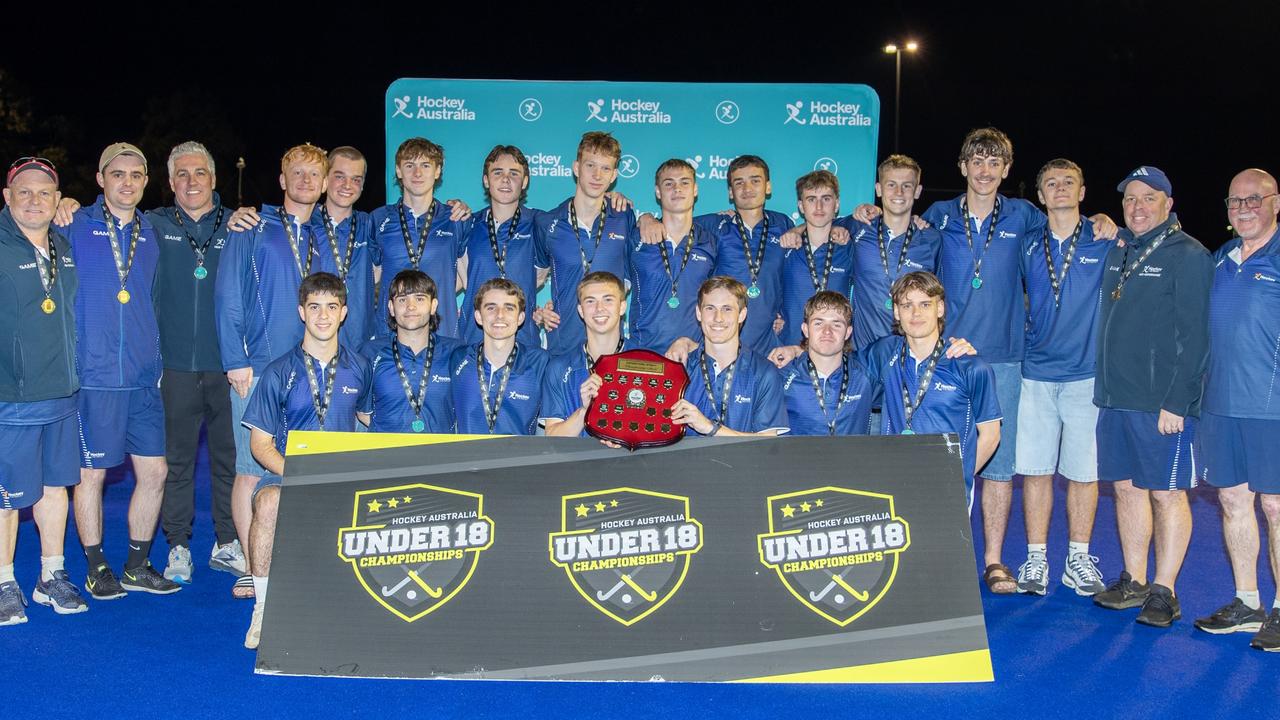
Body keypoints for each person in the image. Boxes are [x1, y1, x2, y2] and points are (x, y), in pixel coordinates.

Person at [1091, 166, 1212, 628]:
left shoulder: (1188, 254)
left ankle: (1165, 591)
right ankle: (1134, 579)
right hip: (1115, 397)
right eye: (1129, 200)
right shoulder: (1122, 248)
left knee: (1166, 494)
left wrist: (1178, 401)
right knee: (1125, 489)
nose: (1137, 207)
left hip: (1161, 403)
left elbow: (1196, 336)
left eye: (1147, 198)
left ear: (1168, 204)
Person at [63, 143, 178, 598]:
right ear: (99, 179)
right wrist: (60, 203)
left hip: (144, 377)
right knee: (91, 474)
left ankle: (136, 564)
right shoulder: (73, 223)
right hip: (95, 376)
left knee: (156, 472)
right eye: (117, 174)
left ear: (146, 182)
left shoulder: (152, 231)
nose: (126, 182)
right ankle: (96, 566)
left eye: (135, 175)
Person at [216, 142, 328, 599]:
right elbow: (227, 297)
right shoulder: (252, 226)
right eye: (296, 173)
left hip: (312, 371)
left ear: (323, 186)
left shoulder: (327, 232)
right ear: (282, 180)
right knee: (250, 467)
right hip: (258, 369)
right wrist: (235, 359)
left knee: (304, 467)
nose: (304, 181)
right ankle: (249, 563)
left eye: (313, 175)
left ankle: (297, 559)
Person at [240, 272, 372, 648]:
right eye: (315, 307)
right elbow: (261, 446)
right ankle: (264, 610)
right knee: (267, 503)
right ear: (302, 312)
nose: (323, 316)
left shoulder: (360, 367)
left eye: (332, 307)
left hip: (343, 474)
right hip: (290, 473)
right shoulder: (278, 371)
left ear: (344, 312)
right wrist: (301, 474)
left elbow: (374, 422)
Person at [1013, 160, 1115, 597]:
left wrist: (1110, 221)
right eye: (1050, 183)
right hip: (1035, 373)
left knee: (1083, 474)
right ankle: (1036, 558)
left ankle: (1077, 558)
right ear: (1040, 195)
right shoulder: (1028, 243)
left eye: (1067, 182)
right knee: (1036, 472)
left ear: (1083, 191)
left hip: (1086, 376)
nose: (1059, 189)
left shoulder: (1105, 238)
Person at [142, 142, 241, 585]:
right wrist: (69, 205)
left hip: (228, 367)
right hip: (176, 366)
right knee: (176, 463)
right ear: (170, 182)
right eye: (182, 174)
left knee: (230, 460)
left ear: (214, 179)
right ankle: (178, 545)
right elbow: (103, 217)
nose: (191, 181)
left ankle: (227, 541)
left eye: (200, 172)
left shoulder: (241, 225)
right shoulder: (153, 224)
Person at [1193, 168, 1280, 651]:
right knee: (1232, 501)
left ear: (1275, 202)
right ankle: (1247, 603)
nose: (1244, 209)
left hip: (1273, 408)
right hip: (1221, 405)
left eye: (1254, 200)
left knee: (1276, 506)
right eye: (1235, 202)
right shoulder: (1221, 258)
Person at [0, 157, 88, 623]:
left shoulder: (64, 243)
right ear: (7, 196)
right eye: (25, 192)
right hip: (10, 397)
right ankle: (3, 581)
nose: (35, 200)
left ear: (58, 201)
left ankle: (50, 575)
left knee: (56, 489)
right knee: (7, 497)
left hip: (62, 393)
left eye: (45, 193)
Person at [864, 271, 1001, 515]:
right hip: (893, 485)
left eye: (925, 304)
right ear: (896, 312)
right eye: (907, 305)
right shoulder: (885, 353)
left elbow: (991, 436)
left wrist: (956, 477)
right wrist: (795, 351)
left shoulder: (971, 366)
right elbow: (836, 361)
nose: (916, 314)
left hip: (947, 490)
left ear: (940, 309)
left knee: (942, 554)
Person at [533, 132, 636, 357]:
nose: (597, 175)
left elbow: (629, 277)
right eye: (590, 165)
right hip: (563, 344)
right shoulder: (547, 222)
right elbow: (535, 279)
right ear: (576, 167)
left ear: (614, 176)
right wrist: (536, 311)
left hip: (611, 347)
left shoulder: (624, 216)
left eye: (605, 168)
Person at [370, 137, 472, 339]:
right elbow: (370, 278)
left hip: (442, 333)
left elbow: (468, 279)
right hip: (389, 335)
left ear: (437, 171)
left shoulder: (456, 218)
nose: (417, 173)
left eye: (425, 165)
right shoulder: (378, 218)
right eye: (410, 165)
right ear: (398, 171)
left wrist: (441, 291)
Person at [668, 276, 788, 436]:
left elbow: (768, 443)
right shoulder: (679, 366)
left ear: (742, 314)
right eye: (710, 308)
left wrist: (711, 428)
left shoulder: (764, 372)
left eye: (727, 309)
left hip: (743, 461)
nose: (718, 318)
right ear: (698, 313)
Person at [625, 159, 716, 353]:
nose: (677, 189)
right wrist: (645, 218)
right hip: (643, 353)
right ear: (658, 192)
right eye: (669, 183)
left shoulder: (710, 241)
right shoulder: (636, 237)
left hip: (692, 354)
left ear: (695, 189)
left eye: (684, 182)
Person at [458, 145, 541, 347]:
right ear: (486, 180)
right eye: (498, 172)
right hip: (473, 338)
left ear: (525, 182)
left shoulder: (541, 223)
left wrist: (609, 198)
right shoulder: (466, 223)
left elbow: (541, 275)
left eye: (514, 173)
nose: (506, 179)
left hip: (523, 340)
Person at [363, 270, 459, 434]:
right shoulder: (370, 353)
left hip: (441, 456)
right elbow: (361, 412)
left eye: (420, 298)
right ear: (391, 308)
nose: (411, 306)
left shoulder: (457, 353)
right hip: (385, 455)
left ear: (433, 306)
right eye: (402, 299)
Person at [450, 278, 549, 435]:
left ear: (521, 318)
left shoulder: (541, 363)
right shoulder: (457, 359)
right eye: (491, 308)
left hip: (523, 459)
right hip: (466, 458)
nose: (500, 315)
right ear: (478, 317)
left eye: (509, 308)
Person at [542, 272, 633, 437]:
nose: (599, 308)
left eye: (608, 300)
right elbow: (553, 439)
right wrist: (585, 411)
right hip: (577, 462)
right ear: (581, 311)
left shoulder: (649, 362)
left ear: (622, 307)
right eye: (590, 301)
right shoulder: (558, 368)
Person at [777, 292, 875, 436]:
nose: (827, 331)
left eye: (836, 324)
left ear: (848, 332)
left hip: (853, 458)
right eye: (818, 323)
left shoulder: (865, 377)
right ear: (805, 330)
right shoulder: (781, 377)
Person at [777, 171, 852, 348]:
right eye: (811, 199)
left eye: (826, 199)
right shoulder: (785, 245)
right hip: (790, 347)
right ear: (801, 206)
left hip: (836, 349)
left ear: (837, 204)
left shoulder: (849, 246)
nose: (819, 207)